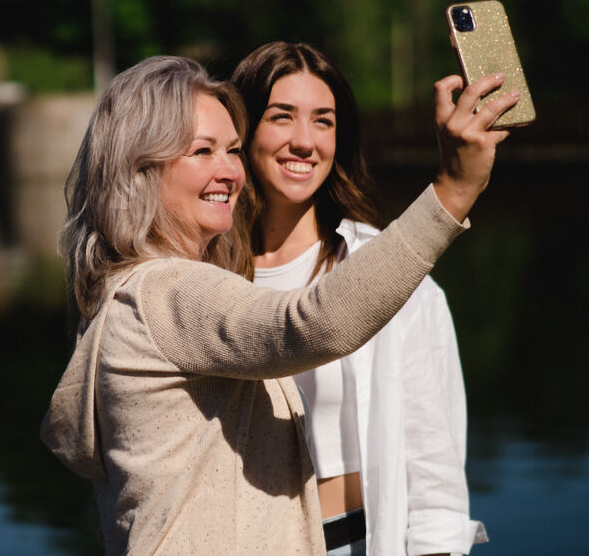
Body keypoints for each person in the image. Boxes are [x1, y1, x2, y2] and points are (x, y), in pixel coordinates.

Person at [41, 55, 516, 555]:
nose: (228, 170)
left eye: (231, 150)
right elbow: (313, 324)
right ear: (139, 167)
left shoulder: (132, 292)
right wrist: (455, 189)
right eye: (203, 151)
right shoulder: (165, 291)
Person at [232, 41, 487, 556]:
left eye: (323, 121)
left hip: (354, 541)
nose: (305, 141)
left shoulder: (387, 267)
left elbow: (433, 467)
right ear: (243, 131)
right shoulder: (201, 278)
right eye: (282, 117)